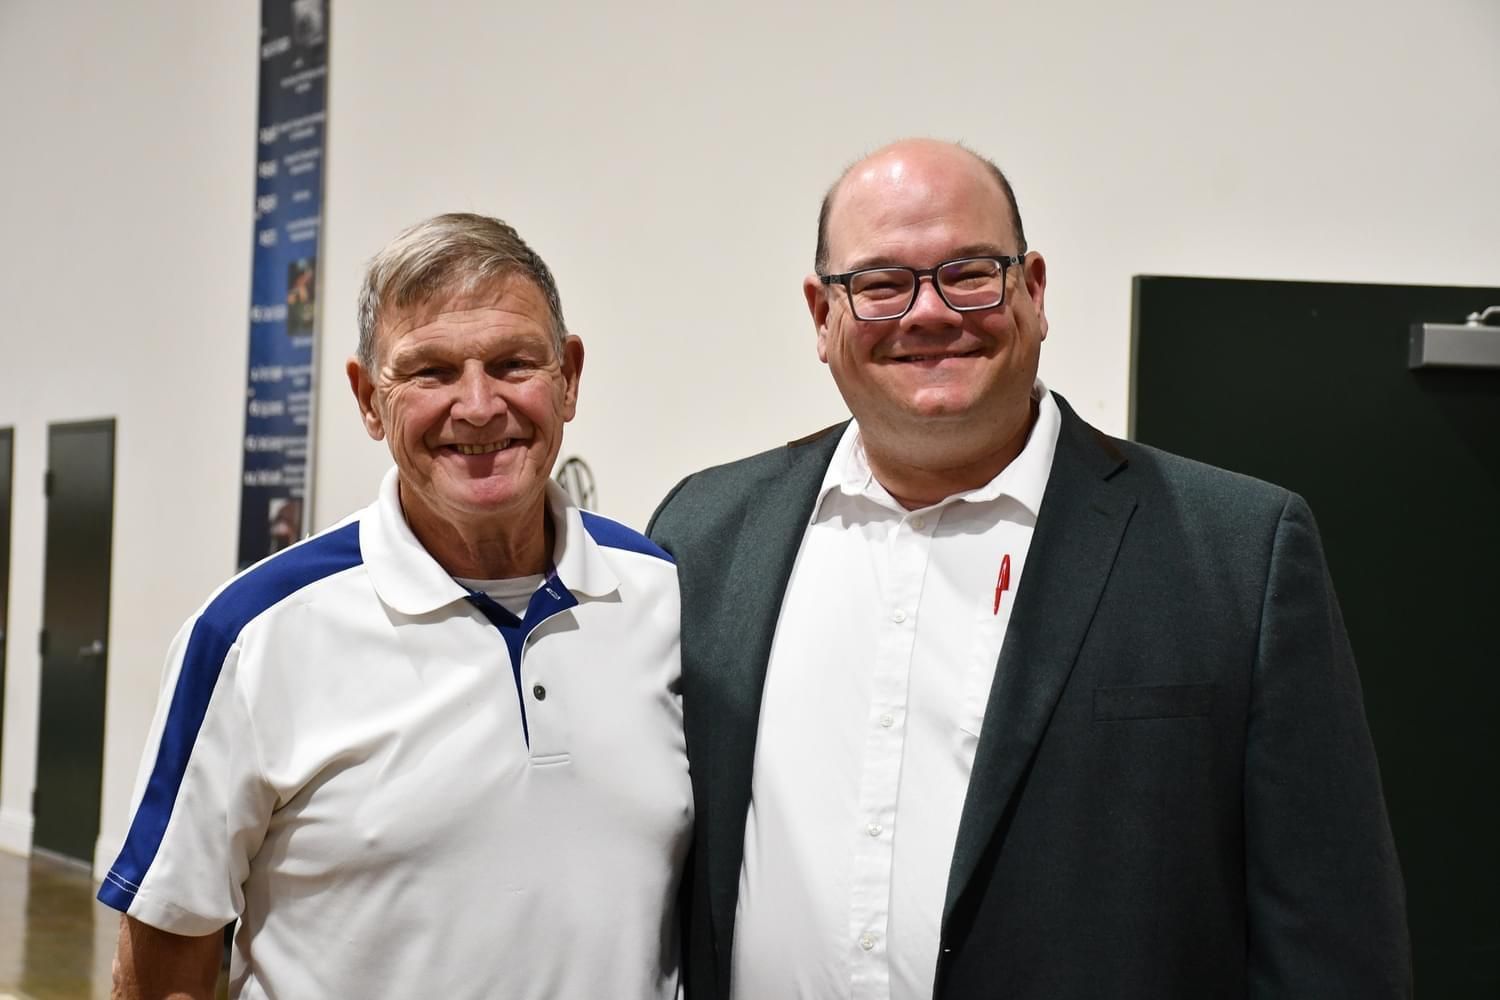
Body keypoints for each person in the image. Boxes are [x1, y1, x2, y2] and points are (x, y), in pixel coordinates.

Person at [648, 139, 1410, 999]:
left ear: (1034, 290)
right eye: (880, 284)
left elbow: (1331, 947)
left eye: (969, 272)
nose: (928, 313)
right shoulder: (704, 537)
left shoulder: (1238, 552)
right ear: (822, 316)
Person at [100, 213, 692, 999]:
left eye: (514, 363)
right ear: (367, 399)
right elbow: (165, 961)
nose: (478, 406)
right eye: (430, 372)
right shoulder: (255, 635)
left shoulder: (661, 596)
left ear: (569, 377)